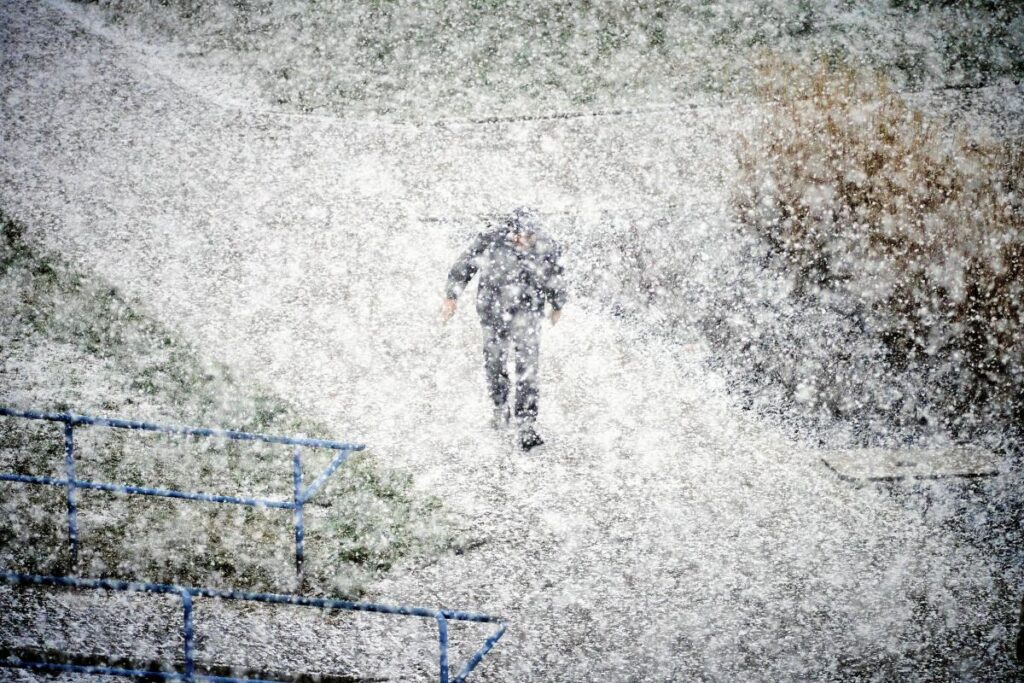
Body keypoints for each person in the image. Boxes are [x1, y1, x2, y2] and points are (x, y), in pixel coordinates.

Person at [441, 207, 567, 451]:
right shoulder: (491, 239)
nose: (525, 242)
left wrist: (558, 303)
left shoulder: (546, 246)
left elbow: (556, 275)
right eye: (521, 236)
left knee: (527, 367)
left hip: (528, 314)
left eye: (530, 237)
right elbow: (465, 264)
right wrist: (451, 296)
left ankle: (526, 424)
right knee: (495, 363)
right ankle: (500, 407)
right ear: (511, 232)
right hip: (492, 312)